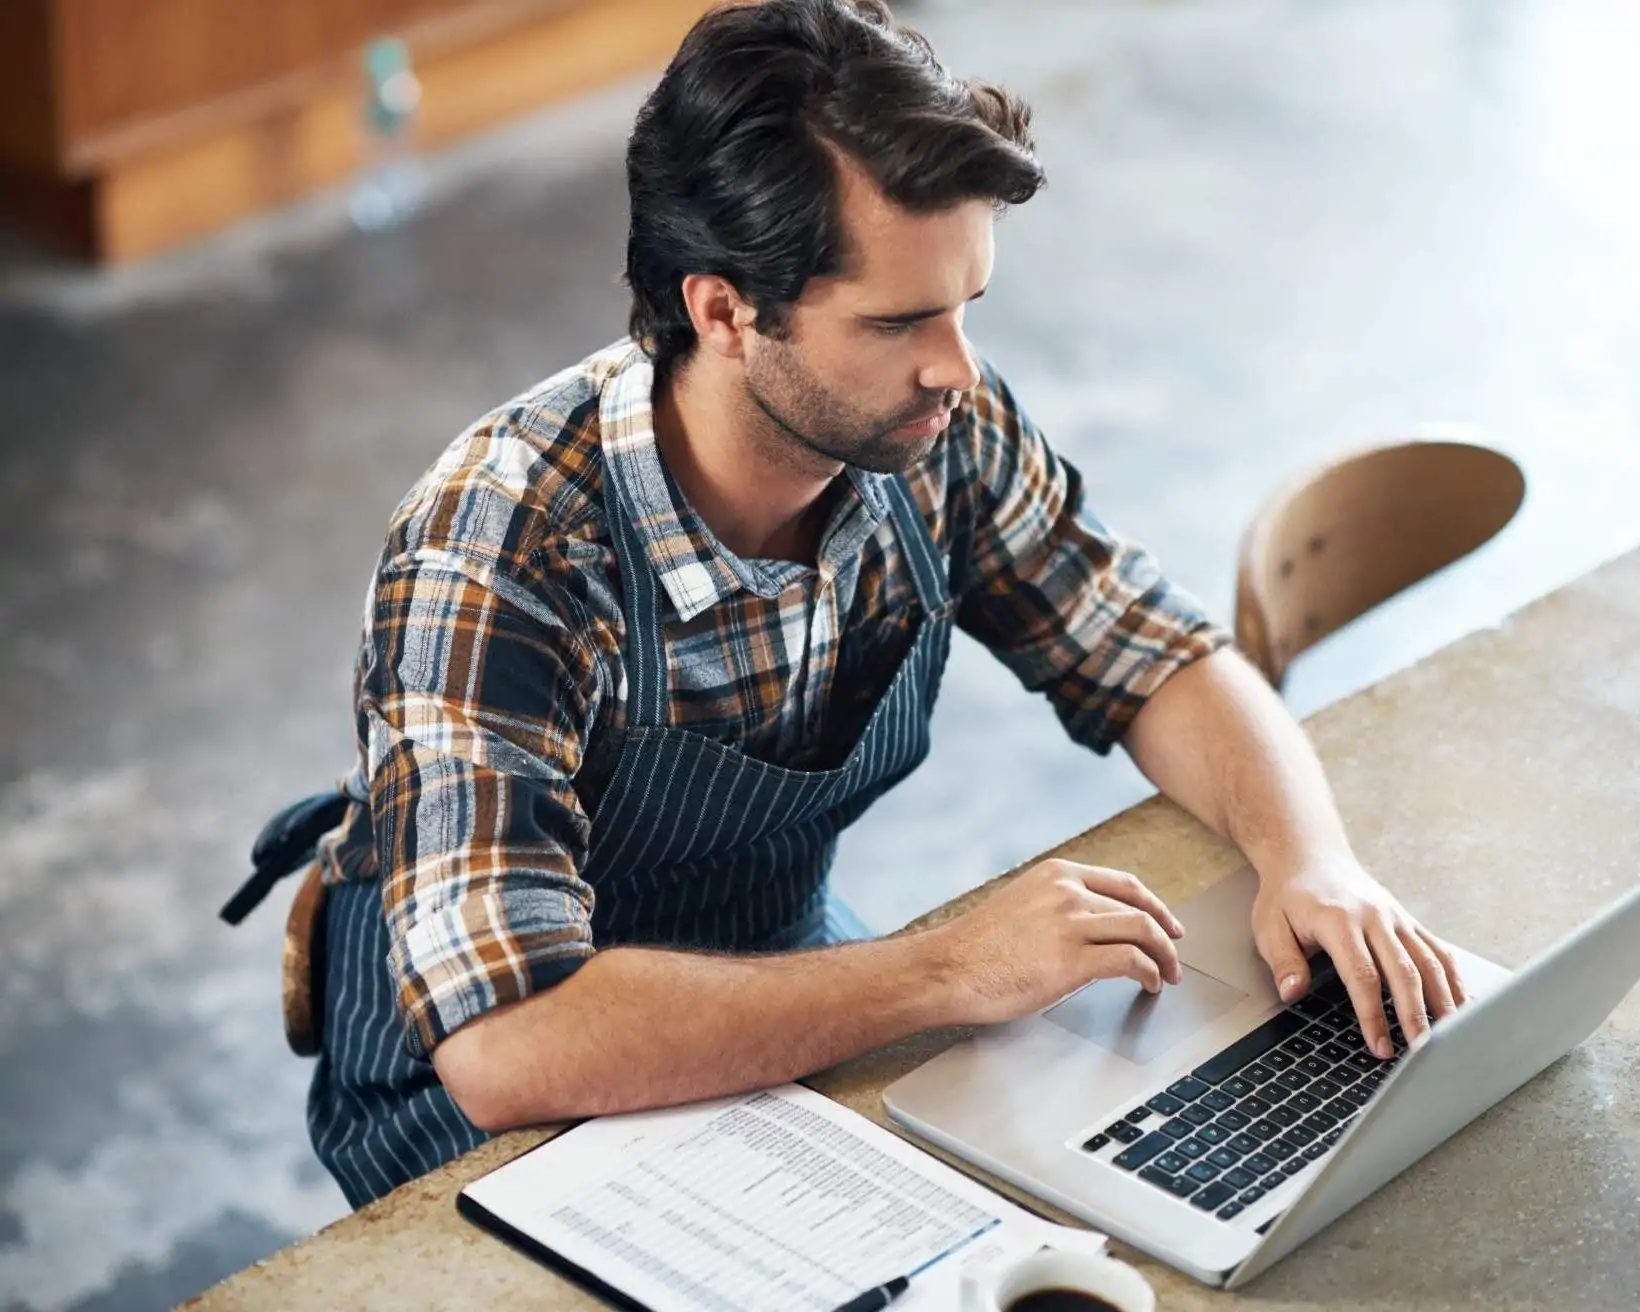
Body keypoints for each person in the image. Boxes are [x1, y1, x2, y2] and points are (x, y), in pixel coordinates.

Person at [289, 0, 1466, 1208]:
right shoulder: (498, 546)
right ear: (723, 311)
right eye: (899, 320)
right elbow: (506, 1043)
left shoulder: (927, 422)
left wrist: (1310, 859)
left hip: (778, 977)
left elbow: (1151, 654)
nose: (956, 366)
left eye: (965, 308)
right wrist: (946, 968)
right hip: (487, 1094)